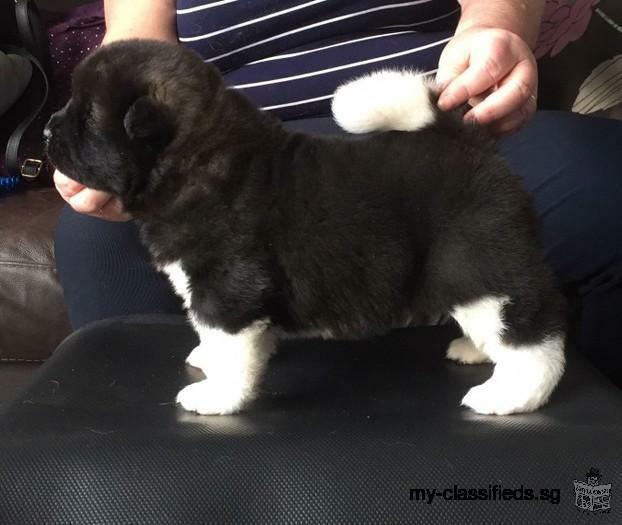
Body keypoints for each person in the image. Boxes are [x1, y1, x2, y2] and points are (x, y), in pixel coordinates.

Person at [54, 0, 622, 387]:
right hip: (228, 147)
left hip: (427, 122)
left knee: (604, 181)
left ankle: (574, 468)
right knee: (94, 239)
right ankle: (170, 486)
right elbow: (133, 44)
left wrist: (492, 33)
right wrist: (104, 153)